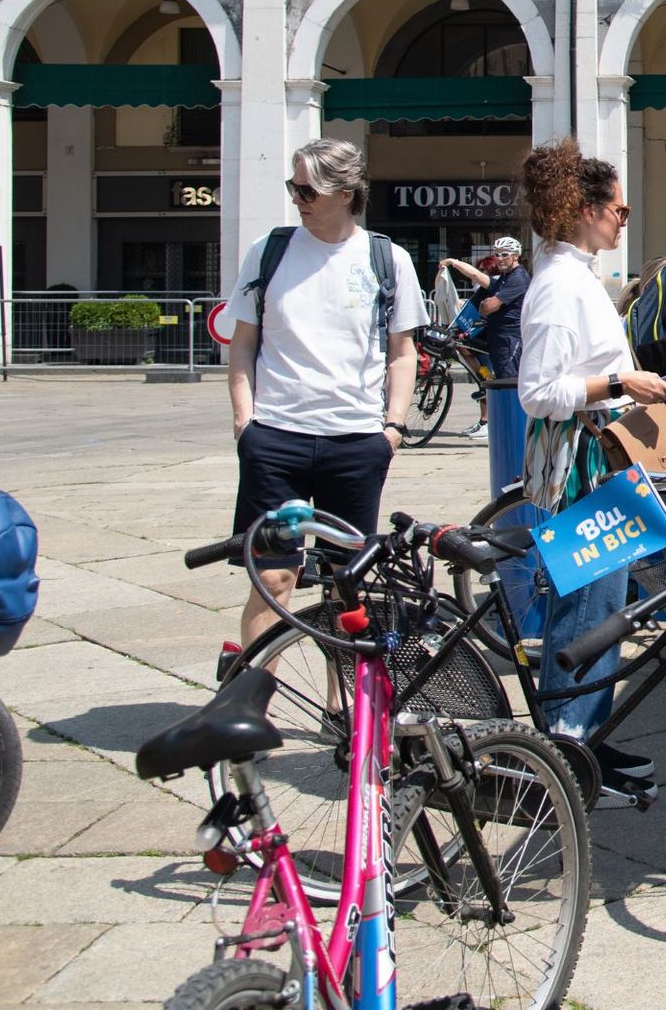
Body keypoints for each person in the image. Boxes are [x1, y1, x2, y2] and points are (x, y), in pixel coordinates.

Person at [517, 138, 666, 785]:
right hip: (584, 467)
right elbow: (537, 391)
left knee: (601, 611)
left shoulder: (574, 277)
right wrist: (620, 384)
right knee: (588, 614)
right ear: (586, 210)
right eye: (619, 208)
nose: (623, 219)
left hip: (600, 460)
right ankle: (567, 755)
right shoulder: (560, 285)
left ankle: (585, 738)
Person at [225, 139, 424, 659]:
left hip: (355, 443)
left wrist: (393, 428)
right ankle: (257, 692)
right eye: (294, 187)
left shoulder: (388, 258)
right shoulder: (268, 251)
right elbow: (242, 343)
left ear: (346, 192)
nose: (297, 198)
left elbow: (403, 352)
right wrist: (245, 424)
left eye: (308, 190)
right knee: (273, 577)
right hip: (276, 439)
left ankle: (341, 699)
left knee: (345, 582)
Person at [440, 237, 530, 439]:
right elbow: (476, 276)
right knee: (492, 375)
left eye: (505, 254)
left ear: (516, 256)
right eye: (497, 254)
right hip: (496, 337)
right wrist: (452, 263)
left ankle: (515, 432)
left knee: (509, 383)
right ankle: (495, 419)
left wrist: (484, 306)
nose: (500, 258)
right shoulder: (504, 278)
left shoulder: (518, 278)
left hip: (509, 339)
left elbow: (489, 306)